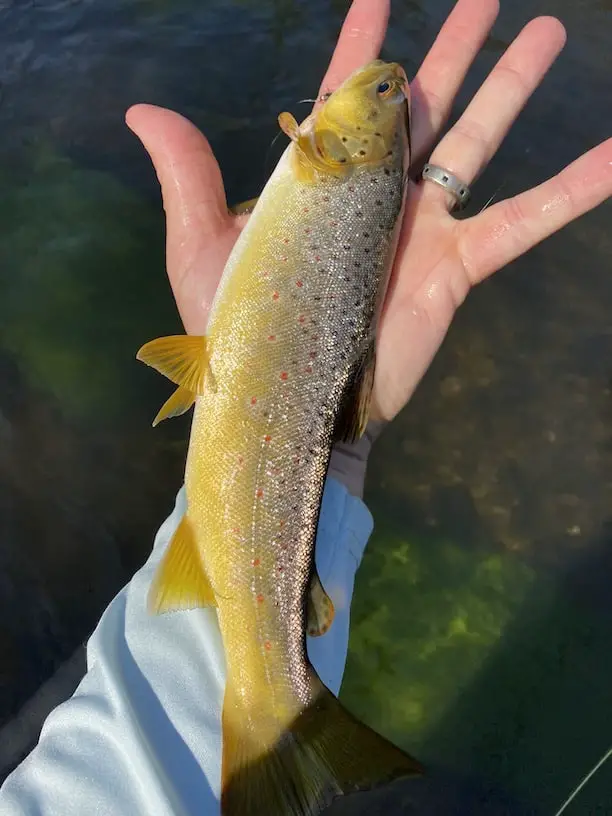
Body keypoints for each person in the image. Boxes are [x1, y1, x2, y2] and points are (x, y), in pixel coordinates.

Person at [1, 0, 610, 813]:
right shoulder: (328, 159)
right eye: (391, 95)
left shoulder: (324, 155)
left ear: (331, 148)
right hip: (268, 472)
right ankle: (282, 714)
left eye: (390, 95)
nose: (391, 86)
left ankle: (277, 712)